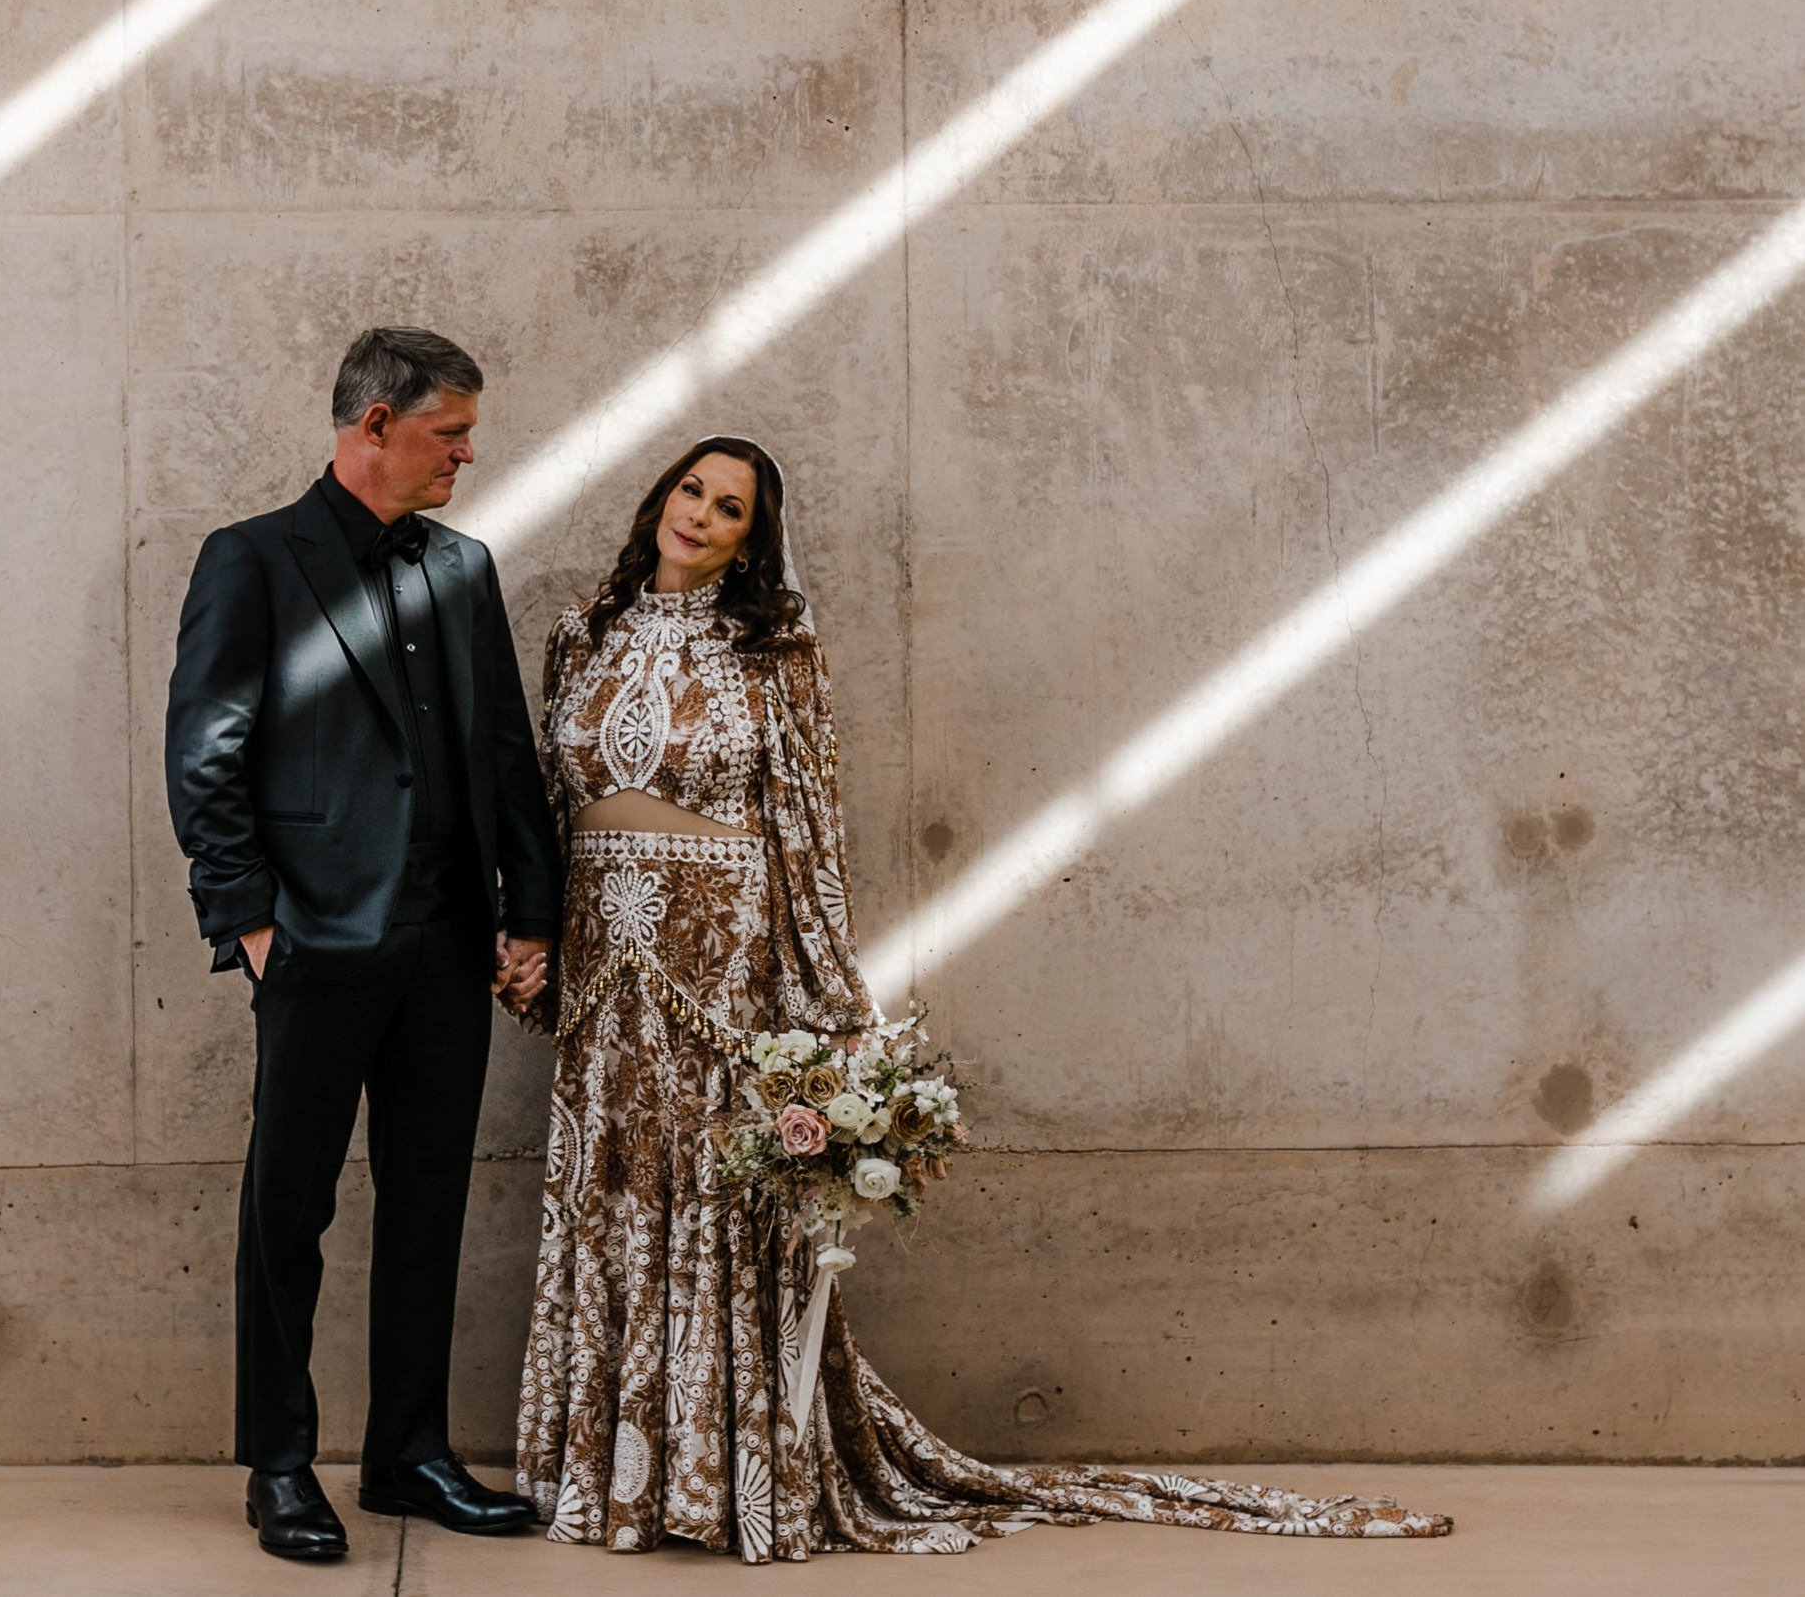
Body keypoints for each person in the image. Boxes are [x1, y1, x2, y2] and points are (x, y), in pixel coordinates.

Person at [514, 435, 1451, 1559]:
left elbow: (809, 837)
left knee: (715, 1206)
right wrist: (529, 941)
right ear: (659, 495)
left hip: (724, 966)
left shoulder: (775, 650)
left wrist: (829, 1009)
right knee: (612, 1195)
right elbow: (540, 812)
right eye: (691, 490)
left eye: (730, 508)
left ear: (752, 541)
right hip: (605, 979)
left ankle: (718, 1477)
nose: (702, 515)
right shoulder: (581, 634)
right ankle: (609, 1473)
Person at [165, 327, 561, 1561]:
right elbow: (207, 749)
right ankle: (279, 1463)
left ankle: (409, 1451)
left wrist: (531, 912)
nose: (466, 453)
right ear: (373, 424)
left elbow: (504, 747)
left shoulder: (463, 563)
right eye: (449, 432)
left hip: (446, 942)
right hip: (317, 941)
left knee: (429, 1200)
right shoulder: (251, 560)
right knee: (287, 1207)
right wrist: (247, 921)